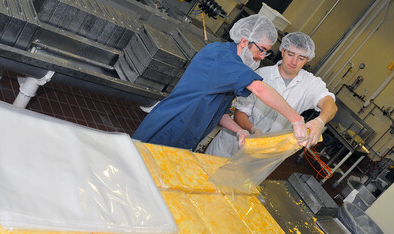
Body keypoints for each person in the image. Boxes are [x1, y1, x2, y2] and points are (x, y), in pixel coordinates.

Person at [132, 15, 309, 150]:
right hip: (170, 127)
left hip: (187, 135)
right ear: (245, 41)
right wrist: (297, 120)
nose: (262, 57)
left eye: (266, 53)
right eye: (261, 50)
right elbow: (260, 89)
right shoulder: (223, 56)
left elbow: (220, 113)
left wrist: (239, 130)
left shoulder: (233, 66)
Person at [206, 32, 338, 157]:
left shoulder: (310, 83)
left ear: (307, 60)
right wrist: (253, 130)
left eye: (301, 58)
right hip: (230, 145)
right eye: (291, 54)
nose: (294, 62)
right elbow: (240, 113)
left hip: (263, 156)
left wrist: (320, 121)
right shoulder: (262, 74)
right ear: (283, 51)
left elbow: (330, 104)